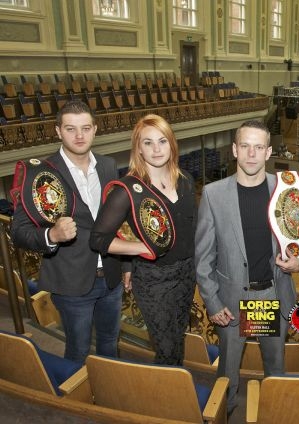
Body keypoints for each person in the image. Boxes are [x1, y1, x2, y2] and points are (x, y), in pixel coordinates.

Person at [195, 120, 299, 414]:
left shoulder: (286, 189)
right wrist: (212, 302)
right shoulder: (213, 194)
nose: (251, 154)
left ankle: (276, 415)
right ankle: (226, 413)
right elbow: (203, 258)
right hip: (231, 302)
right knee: (227, 373)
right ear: (235, 150)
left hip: (271, 296)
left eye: (258, 147)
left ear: (268, 151)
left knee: (275, 368)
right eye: (245, 146)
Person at [11, 99, 124, 364]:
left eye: (85, 128)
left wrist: (126, 267)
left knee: (110, 343)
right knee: (78, 350)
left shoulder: (108, 165)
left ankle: (111, 397)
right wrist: (52, 236)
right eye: (71, 129)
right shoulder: (39, 172)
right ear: (58, 131)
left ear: (95, 129)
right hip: (71, 283)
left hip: (110, 277)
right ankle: (77, 400)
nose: (79, 135)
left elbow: (115, 223)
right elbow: (18, 231)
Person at [90, 114, 197, 365]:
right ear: (138, 148)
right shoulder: (126, 190)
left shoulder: (186, 181)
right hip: (152, 280)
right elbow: (98, 239)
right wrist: (139, 248)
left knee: (178, 338)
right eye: (148, 143)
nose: (156, 149)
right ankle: (168, 398)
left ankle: (172, 388)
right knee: (166, 348)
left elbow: (189, 229)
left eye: (162, 141)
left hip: (186, 275)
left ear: (172, 143)